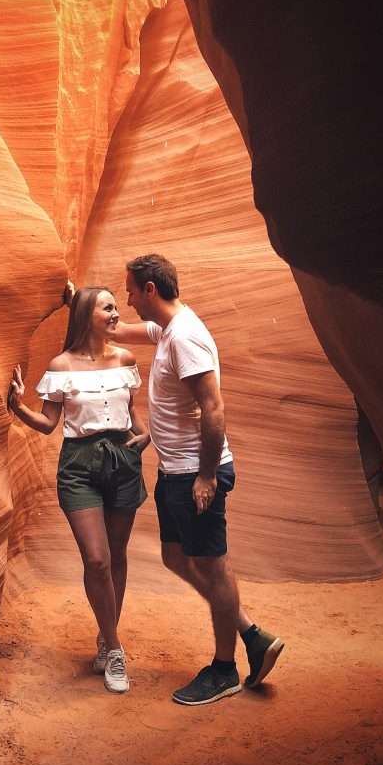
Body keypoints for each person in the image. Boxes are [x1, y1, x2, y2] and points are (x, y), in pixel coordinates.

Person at [112, 254, 284, 706]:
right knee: (174, 557)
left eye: (130, 291)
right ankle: (251, 633)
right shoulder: (167, 329)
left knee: (214, 565)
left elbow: (214, 408)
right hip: (174, 471)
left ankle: (225, 669)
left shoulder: (186, 337)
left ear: (150, 290)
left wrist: (207, 475)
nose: (127, 301)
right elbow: (114, 330)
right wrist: (78, 302)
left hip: (196, 474)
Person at [8, 286, 150, 694]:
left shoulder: (125, 359)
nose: (115, 313)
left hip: (122, 462)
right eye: (108, 307)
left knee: (118, 555)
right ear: (87, 314)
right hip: (79, 466)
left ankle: (106, 639)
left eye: (116, 307)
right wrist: (19, 407)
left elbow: (134, 415)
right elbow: (50, 423)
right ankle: (117, 647)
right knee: (97, 559)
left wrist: (146, 436)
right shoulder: (61, 365)